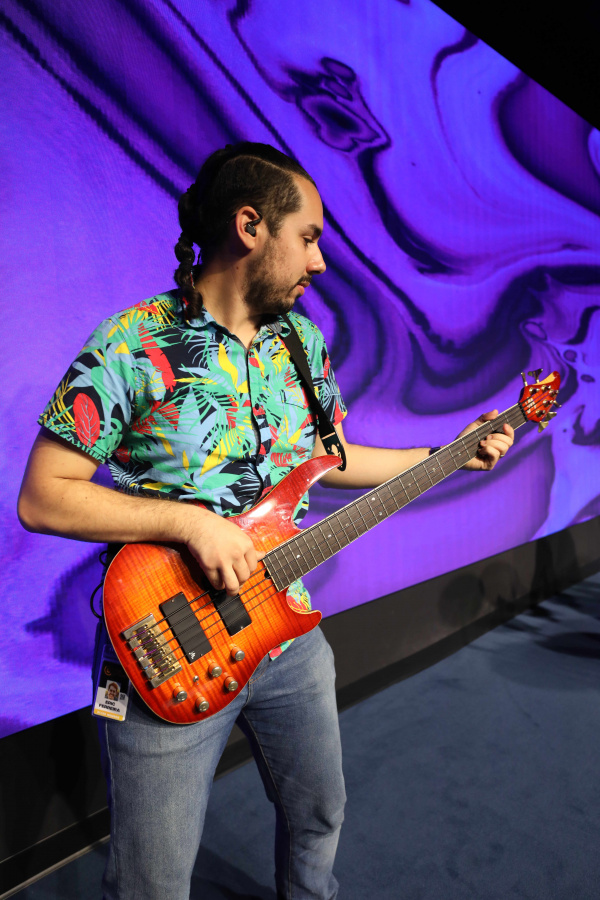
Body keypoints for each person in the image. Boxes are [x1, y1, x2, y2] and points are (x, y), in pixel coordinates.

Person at [18, 142, 514, 900]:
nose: (320, 262)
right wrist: (190, 524)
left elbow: (325, 457)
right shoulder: (133, 344)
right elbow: (42, 496)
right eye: (308, 238)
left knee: (319, 815)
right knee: (152, 883)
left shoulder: (301, 344)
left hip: (288, 634)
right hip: (169, 649)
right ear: (250, 226)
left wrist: (445, 452)